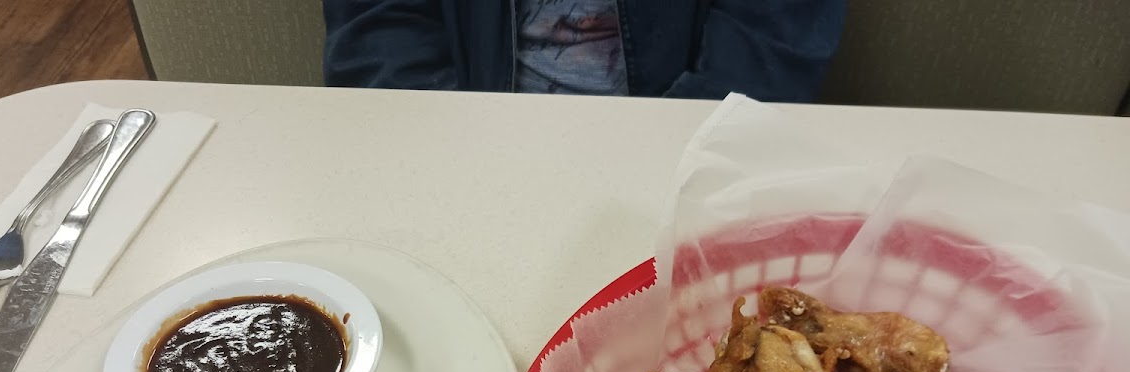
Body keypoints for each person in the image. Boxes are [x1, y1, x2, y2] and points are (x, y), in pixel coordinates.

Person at [322, 0, 847, 101]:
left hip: (683, 132)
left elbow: (772, 36)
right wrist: (459, 139)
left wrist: (677, 148)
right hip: (463, 123)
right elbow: (380, 28)